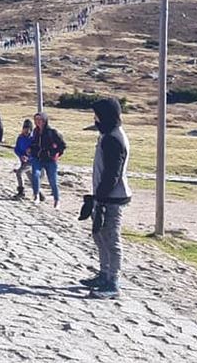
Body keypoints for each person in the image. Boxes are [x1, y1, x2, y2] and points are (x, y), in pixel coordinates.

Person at [85, 98, 132, 299]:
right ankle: (104, 274)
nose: (94, 119)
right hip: (104, 196)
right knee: (100, 235)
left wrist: (101, 198)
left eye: (97, 115)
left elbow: (112, 174)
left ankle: (113, 282)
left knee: (111, 238)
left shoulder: (114, 138)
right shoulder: (107, 135)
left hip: (112, 197)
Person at [27, 112, 66, 207]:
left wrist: (55, 154)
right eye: (36, 120)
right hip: (37, 158)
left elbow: (62, 145)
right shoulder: (35, 131)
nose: (37, 122)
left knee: (52, 180)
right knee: (35, 175)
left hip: (50, 160)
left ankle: (56, 200)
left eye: (39, 119)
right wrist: (31, 149)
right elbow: (34, 144)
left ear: (44, 120)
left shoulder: (52, 132)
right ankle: (36, 196)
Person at [12, 119, 35, 200]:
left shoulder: (34, 139)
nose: (26, 130)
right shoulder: (20, 137)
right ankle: (38, 192)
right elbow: (16, 149)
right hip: (23, 161)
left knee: (19, 173)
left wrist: (29, 157)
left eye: (28, 128)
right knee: (31, 178)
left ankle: (21, 192)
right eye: (25, 128)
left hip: (31, 161)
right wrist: (21, 155)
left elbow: (36, 151)